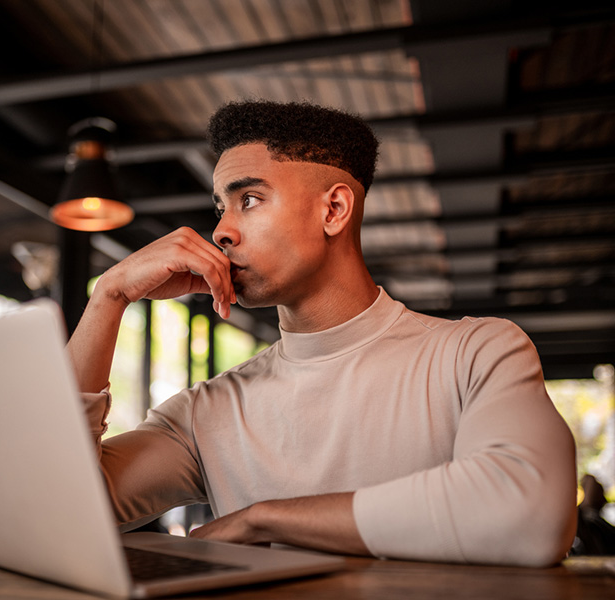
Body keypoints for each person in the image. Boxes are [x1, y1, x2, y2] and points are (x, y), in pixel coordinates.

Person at [66, 100, 578, 567]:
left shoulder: (475, 353)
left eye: (249, 199)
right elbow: (57, 503)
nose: (220, 231)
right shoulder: (208, 411)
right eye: (220, 207)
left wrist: (265, 518)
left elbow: (531, 514)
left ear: (333, 210)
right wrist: (107, 298)